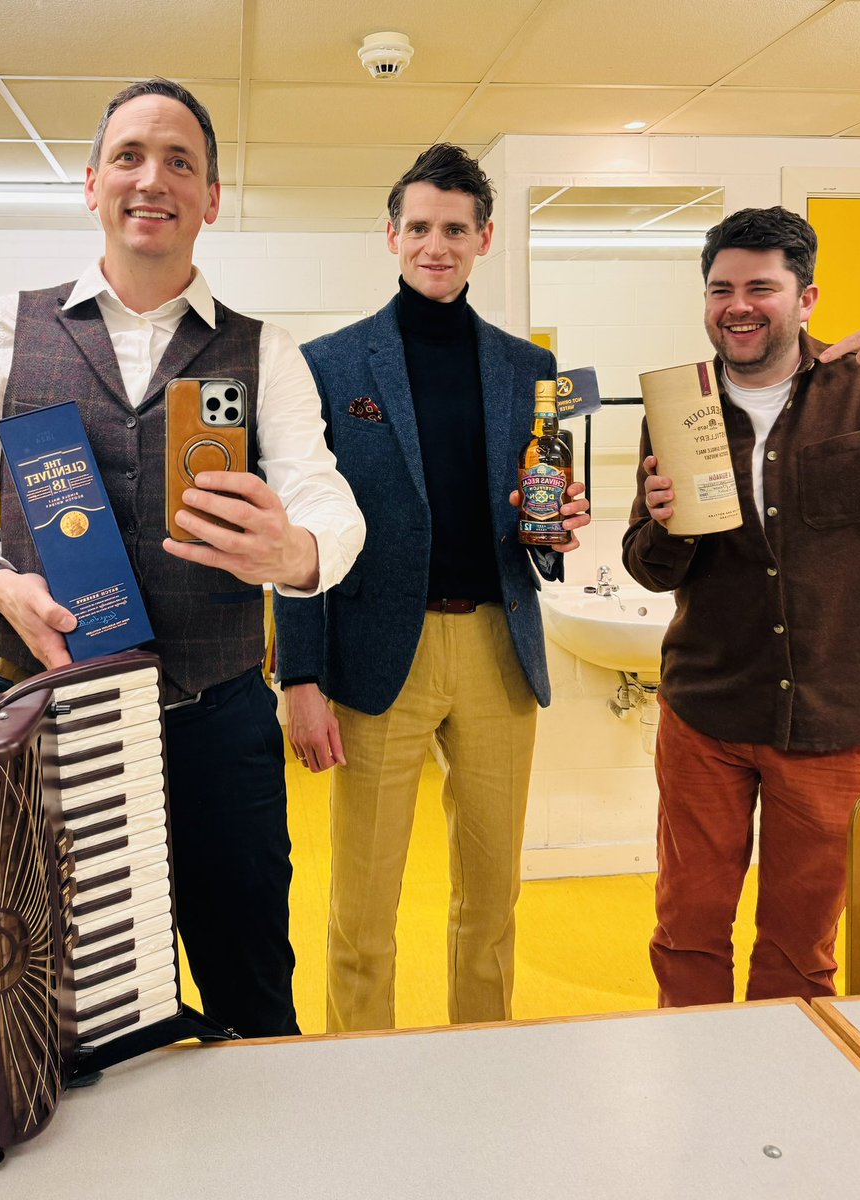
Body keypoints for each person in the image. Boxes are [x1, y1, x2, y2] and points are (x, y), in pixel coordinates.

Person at [0, 78, 365, 1038]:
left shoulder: (264, 351)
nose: (152, 179)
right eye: (129, 156)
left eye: (181, 162)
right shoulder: (3, 330)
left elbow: (324, 493)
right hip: (49, 723)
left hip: (218, 728)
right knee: (63, 994)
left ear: (211, 198)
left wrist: (298, 548)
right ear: (91, 184)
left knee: (248, 989)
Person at [272, 144, 590, 1033]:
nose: (435, 244)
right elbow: (297, 531)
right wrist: (300, 678)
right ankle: (358, 1073)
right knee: (363, 909)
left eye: (455, 228)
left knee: (489, 902)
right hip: (378, 657)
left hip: (497, 647)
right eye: (419, 227)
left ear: (483, 238)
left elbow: (540, 527)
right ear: (391, 236)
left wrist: (557, 528)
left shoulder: (530, 371)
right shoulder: (329, 366)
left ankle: (480, 1066)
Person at [623, 205, 860, 1007]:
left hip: (834, 721)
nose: (736, 305)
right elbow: (646, 567)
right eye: (719, 289)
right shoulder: (677, 404)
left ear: (805, 298)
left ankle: (786, 1108)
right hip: (706, 713)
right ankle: (693, 1104)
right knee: (686, 930)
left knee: (801, 948)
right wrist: (665, 524)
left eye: (759, 287)